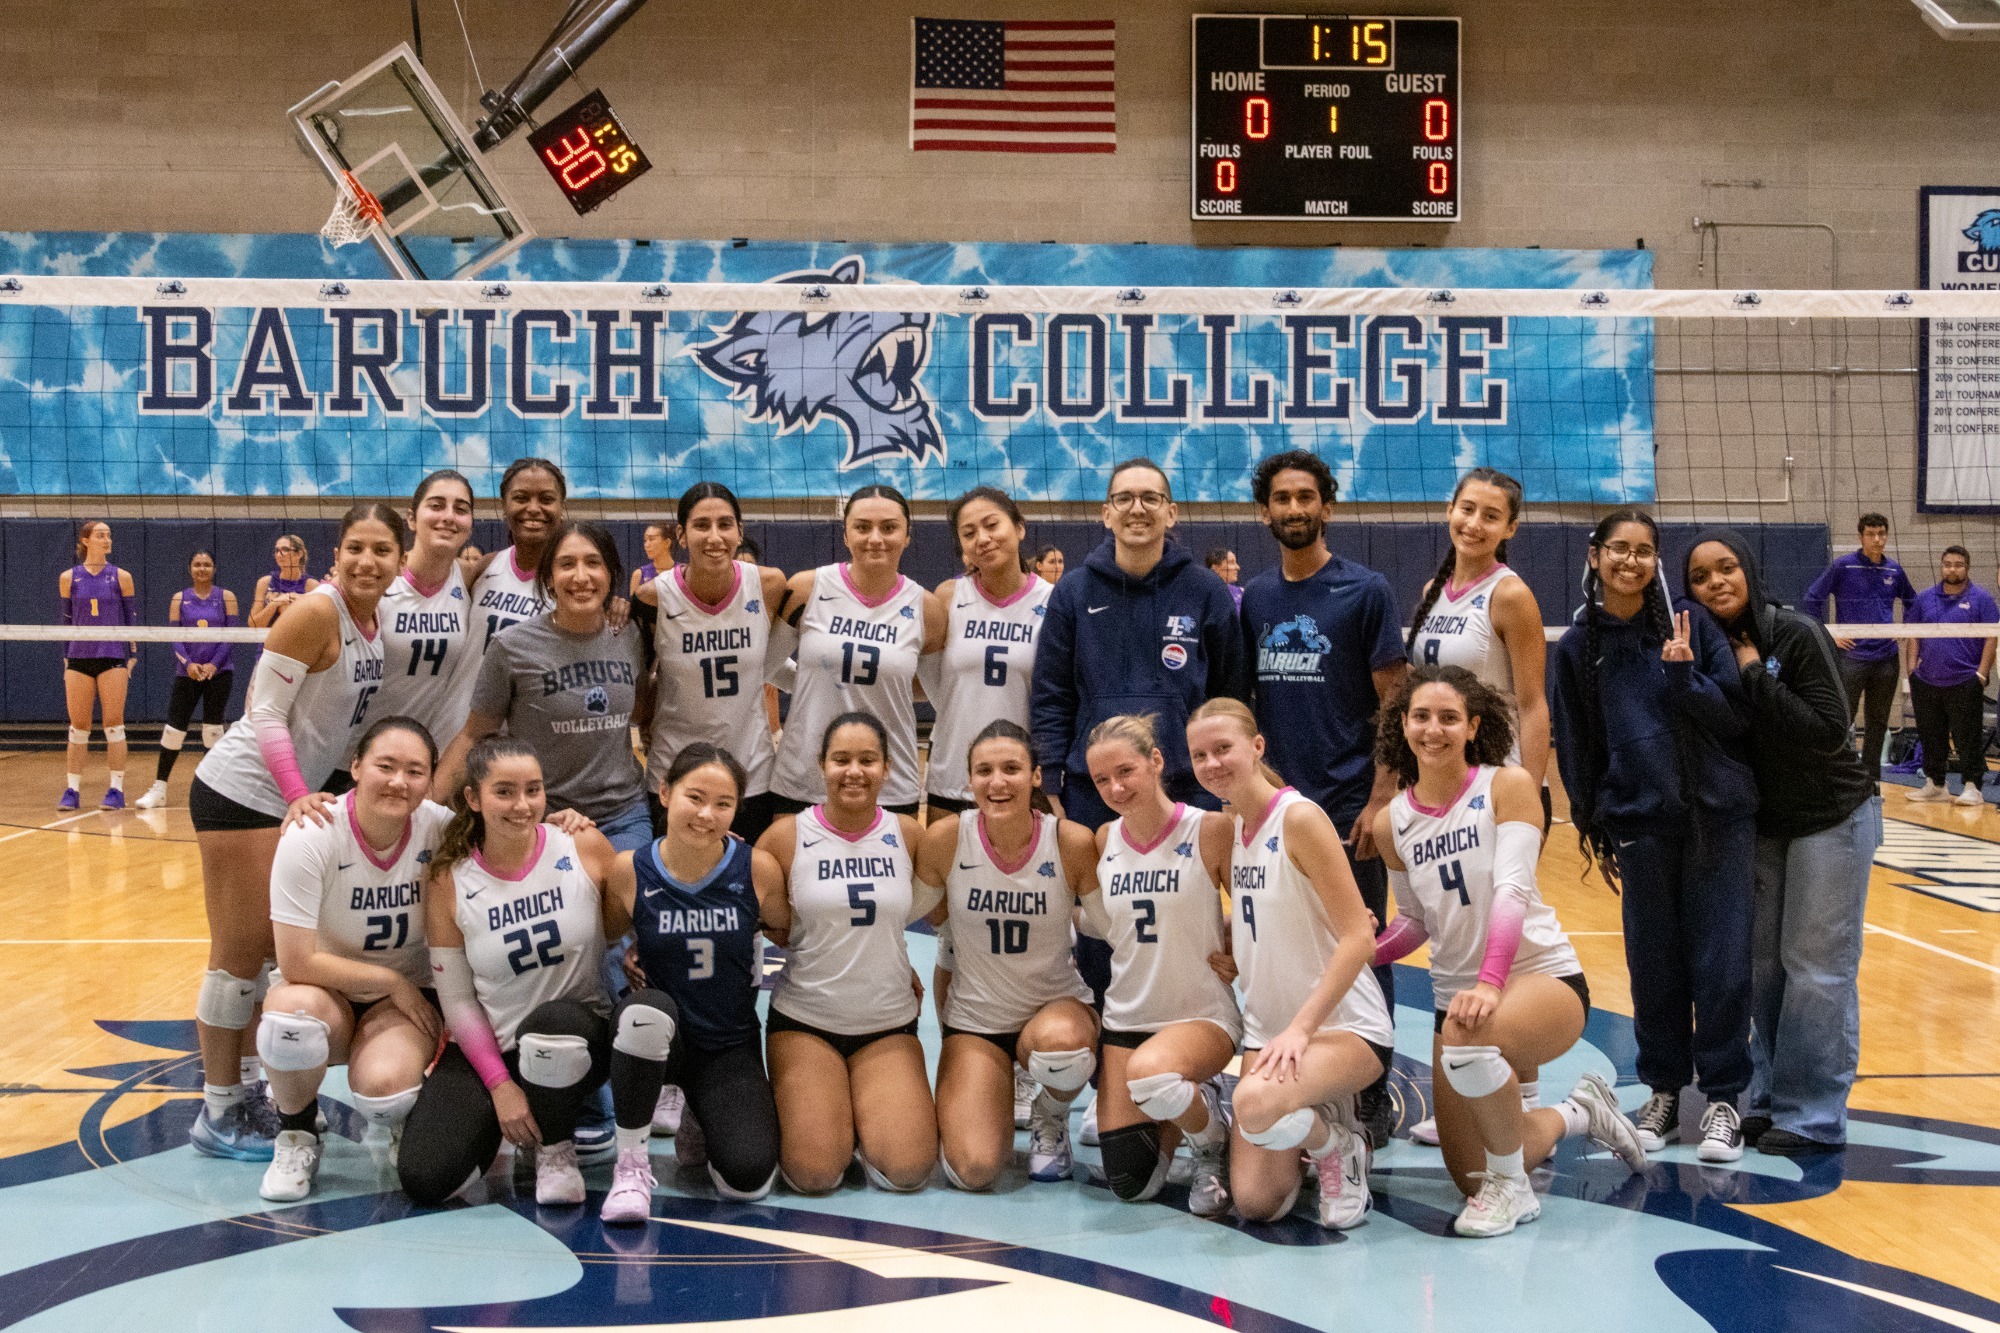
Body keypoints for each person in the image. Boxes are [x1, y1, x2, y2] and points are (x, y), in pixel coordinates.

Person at [1370, 667, 1648, 1236]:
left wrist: (1492, 982)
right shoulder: (1389, 823)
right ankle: (1579, 1112)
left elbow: (1512, 892)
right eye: (1421, 716)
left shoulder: (1506, 786)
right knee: (1469, 1173)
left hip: (1539, 980)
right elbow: (1415, 923)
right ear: (1403, 725)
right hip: (1464, 1002)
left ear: (1472, 727)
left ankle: (1514, 1190)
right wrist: (1357, 955)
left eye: (1449, 718)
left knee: (1470, 1042)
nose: (1434, 729)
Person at [186, 503, 403, 1161]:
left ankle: (252, 1095)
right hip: (243, 791)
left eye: (383, 549)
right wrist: (298, 794)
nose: (368, 560)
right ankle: (219, 1111)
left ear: (399, 559)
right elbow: (265, 711)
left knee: (264, 960)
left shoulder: (374, 625)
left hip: (285, 799)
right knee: (239, 957)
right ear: (336, 553)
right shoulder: (315, 610)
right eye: (356, 547)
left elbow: (336, 734)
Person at [1549, 508, 1758, 1162]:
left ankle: (1723, 1098)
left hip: (1717, 820)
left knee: (1722, 965)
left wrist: (1682, 674)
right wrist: (1596, 825)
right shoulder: (1578, 647)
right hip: (1640, 827)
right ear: (1595, 556)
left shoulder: (1692, 625)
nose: (1631, 561)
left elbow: (1733, 719)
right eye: (1619, 549)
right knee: (1655, 968)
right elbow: (1578, 745)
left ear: (1656, 561)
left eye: (1644, 551)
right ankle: (1664, 1091)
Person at [398, 739, 671, 1211]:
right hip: (496, 1049)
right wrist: (500, 1086)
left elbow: (631, 917)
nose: (522, 805)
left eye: (534, 790)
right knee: (427, 1178)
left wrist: (635, 953)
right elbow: (458, 1001)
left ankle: (555, 1148)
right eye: (504, 792)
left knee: (556, 1021)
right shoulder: (450, 878)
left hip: (579, 1037)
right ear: (472, 799)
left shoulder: (581, 844)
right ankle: (521, 1120)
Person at [1684, 532, 1880, 1155]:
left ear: (1749, 572)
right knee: (1764, 969)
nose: (1717, 581)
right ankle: (1770, 1100)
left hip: (1830, 814)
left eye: (1728, 568)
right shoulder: (1696, 647)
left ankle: (1815, 1114)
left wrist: (1753, 676)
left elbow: (1827, 732)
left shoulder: (1793, 634)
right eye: (1700, 576)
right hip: (1765, 824)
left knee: (1816, 968)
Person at [1239, 450, 1406, 1145]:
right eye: (1282, 498)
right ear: (1266, 511)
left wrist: (1380, 799)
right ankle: (1303, 1062)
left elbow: (1394, 702)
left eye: (1307, 496)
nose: (1294, 509)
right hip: (1276, 812)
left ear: (1327, 506)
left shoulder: (1365, 591)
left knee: (1358, 941)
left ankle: (1370, 1090)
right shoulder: (1255, 598)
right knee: (1285, 942)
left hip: (1345, 807)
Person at [1183, 699, 1392, 1230]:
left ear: (1257, 747)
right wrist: (1237, 947)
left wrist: (1301, 1030)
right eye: (1200, 754)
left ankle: (1339, 1146)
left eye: (1223, 748)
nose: (1211, 763)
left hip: (1342, 1028)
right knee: (1257, 1203)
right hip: (1268, 1032)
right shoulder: (1234, 829)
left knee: (1253, 1104)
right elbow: (1275, 910)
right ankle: (1315, 1117)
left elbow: (1357, 938)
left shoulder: (1299, 818)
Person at [254, 717, 450, 1202]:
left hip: (402, 1004)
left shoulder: (442, 830)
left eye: (415, 771)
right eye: (385, 766)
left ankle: (403, 1118)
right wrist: (390, 980)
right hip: (327, 993)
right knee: (288, 1021)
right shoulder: (312, 833)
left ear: (430, 779)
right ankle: (296, 1133)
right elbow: (295, 961)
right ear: (356, 766)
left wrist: (562, 822)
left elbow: (516, 836)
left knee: (386, 1093)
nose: (399, 782)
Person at [756, 712, 941, 1193]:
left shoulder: (909, 834)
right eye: (841, 759)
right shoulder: (785, 837)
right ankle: (836, 1117)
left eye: (867, 760)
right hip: (806, 1020)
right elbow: (760, 924)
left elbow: (939, 917)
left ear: (889, 766)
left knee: (907, 1171)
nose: (853, 771)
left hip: (886, 1022)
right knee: (814, 1175)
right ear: (821, 765)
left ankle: (861, 1117)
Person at [601, 743, 785, 1212]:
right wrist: (633, 956)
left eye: (723, 804)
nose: (707, 814)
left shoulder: (756, 869)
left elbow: (791, 934)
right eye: (695, 797)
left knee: (747, 1180)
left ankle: (700, 1116)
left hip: (727, 1042)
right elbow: (602, 941)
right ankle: (631, 1163)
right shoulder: (630, 870)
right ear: (664, 793)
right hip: (657, 1044)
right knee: (645, 1014)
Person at [916, 721, 1098, 1190]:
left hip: (1054, 1008)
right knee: (973, 1169)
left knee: (1066, 1049)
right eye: (984, 771)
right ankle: (992, 1085)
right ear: (969, 779)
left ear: (1036, 776)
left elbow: (1110, 926)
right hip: (978, 1021)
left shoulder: (1070, 842)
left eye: (1012, 769)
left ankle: (1050, 1114)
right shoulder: (946, 838)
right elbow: (921, 922)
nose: (997, 782)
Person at [1031, 458, 1247, 831]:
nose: (1137, 508)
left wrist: (1231, 784)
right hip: (1093, 788)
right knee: (1094, 890)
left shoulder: (1206, 590)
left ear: (1171, 512)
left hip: (1188, 785)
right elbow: (1052, 694)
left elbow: (1230, 695)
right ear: (1106, 514)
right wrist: (1051, 781)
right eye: (1124, 498)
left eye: (1151, 498)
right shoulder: (1073, 591)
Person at [1080, 714, 1240, 1216]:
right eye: (1101, 780)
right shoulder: (1104, 840)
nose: (1115, 787)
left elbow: (1261, 905)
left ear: (1155, 762)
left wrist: (1239, 946)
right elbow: (1102, 923)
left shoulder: (1209, 829)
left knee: (1153, 1077)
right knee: (1132, 1183)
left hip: (1200, 1014)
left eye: (1125, 771)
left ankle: (1210, 1140)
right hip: (1128, 1018)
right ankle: (1184, 1104)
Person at [437, 522, 653, 853]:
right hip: (542, 814)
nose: (581, 576)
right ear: (549, 578)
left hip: (624, 812)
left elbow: (641, 711)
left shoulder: (628, 635)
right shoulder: (512, 646)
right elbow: (474, 734)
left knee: (623, 884)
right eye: (567, 564)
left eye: (593, 563)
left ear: (611, 573)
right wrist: (426, 806)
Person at [770, 486, 946, 818]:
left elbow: (942, 699)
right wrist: (808, 682)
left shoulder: (928, 609)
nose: (875, 538)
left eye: (889, 527)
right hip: (804, 777)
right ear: (846, 535)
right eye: (862, 527)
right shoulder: (807, 588)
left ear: (907, 535)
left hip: (890, 784)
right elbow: (764, 664)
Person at [632, 482, 791, 845]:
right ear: (681, 535)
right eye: (701, 525)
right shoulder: (653, 597)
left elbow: (771, 663)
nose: (715, 536)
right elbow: (638, 682)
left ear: (740, 531)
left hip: (752, 776)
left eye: (725, 524)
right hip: (676, 775)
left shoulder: (769, 584)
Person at [920, 487, 1055, 818]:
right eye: (969, 533)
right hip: (954, 772)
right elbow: (936, 683)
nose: (982, 538)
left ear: (1019, 528)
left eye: (991, 525)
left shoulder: (1052, 601)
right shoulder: (949, 596)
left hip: (1021, 776)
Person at [1802, 513, 1916, 784]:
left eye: (1881, 533)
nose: (1877, 539)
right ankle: (1834, 772)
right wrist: (1830, 635)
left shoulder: (1894, 570)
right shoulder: (1844, 566)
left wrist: (1903, 631)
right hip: (1851, 657)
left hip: (1886, 657)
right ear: (1861, 537)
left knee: (1878, 721)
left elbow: (1913, 601)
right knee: (1842, 716)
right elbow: (1811, 600)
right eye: (1871, 534)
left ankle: (1871, 778)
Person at [138, 552, 241, 810]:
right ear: (190, 568)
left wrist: (213, 664)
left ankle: (215, 791)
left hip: (219, 672)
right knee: (174, 730)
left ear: (214, 568)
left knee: (213, 730)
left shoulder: (226, 597)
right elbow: (175, 637)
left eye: (207, 564)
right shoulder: (179, 598)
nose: (202, 568)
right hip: (188, 673)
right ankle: (159, 789)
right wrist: (189, 664)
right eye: (197, 564)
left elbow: (232, 636)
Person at [1902, 545, 1998, 806]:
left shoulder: (1981, 598)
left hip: (1964, 679)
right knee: (1931, 735)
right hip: (1927, 680)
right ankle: (1935, 784)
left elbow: (1992, 636)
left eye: (1958, 564)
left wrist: (1981, 674)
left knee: (1967, 737)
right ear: (1941, 566)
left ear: (1967, 567)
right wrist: (1912, 670)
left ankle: (1972, 787)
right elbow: (1913, 635)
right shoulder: (1925, 598)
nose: (1952, 569)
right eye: (1947, 564)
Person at [58, 520, 139, 811]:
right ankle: (72, 790)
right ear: (86, 540)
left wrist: (131, 656)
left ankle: (116, 789)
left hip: (112, 656)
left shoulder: (121, 576)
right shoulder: (69, 577)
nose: (107, 540)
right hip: (79, 658)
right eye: (100, 535)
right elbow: (65, 620)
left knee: (113, 725)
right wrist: (67, 657)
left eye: (109, 535)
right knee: (78, 727)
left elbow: (131, 620)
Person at [466, 457, 567, 659]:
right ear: (504, 505)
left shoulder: (571, 583)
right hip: (464, 691)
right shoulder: (485, 567)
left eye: (546, 499)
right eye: (521, 498)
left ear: (561, 507)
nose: (533, 508)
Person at [249, 534, 320, 628]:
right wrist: (275, 603)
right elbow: (253, 624)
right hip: (268, 641)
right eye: (277, 550)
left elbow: (318, 625)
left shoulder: (312, 585)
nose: (279, 554)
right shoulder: (265, 582)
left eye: (285, 549)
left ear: (299, 554)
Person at [631, 519, 678, 600]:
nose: (647, 545)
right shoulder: (639, 574)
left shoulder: (682, 572)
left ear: (667, 542)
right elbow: (634, 610)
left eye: (651, 539)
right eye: (645, 540)